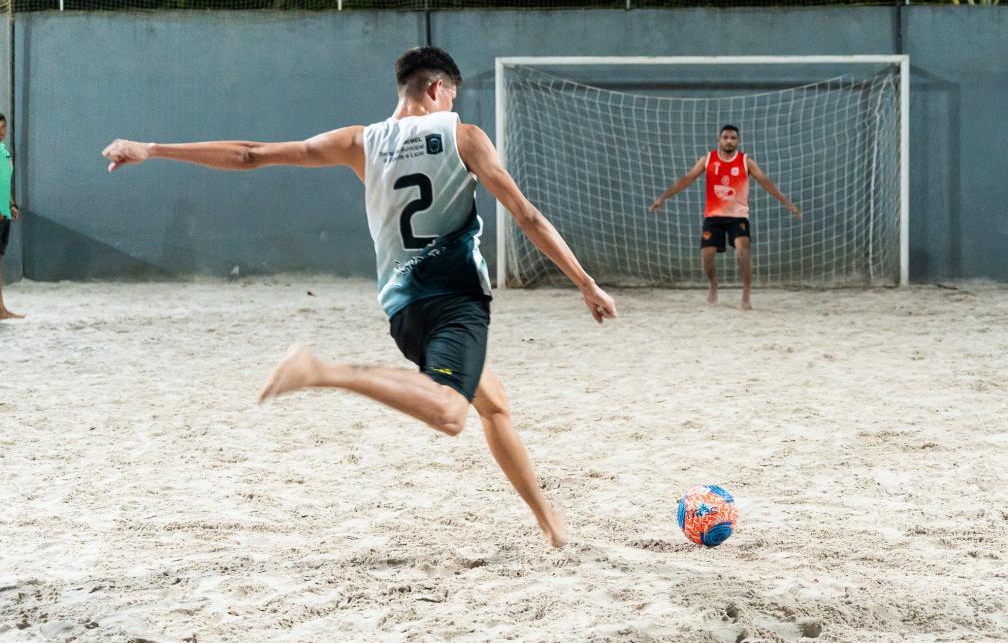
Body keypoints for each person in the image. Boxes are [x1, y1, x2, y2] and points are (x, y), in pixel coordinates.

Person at [102, 47, 616, 548]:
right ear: (437, 89)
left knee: (493, 404)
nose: (452, 107)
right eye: (451, 98)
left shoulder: (359, 142)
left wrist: (153, 148)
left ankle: (548, 520)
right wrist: (585, 282)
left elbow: (251, 154)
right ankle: (324, 372)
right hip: (456, 301)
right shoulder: (463, 136)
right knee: (449, 413)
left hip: (402, 308)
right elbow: (527, 215)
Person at [649, 124, 800, 310]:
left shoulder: (746, 161)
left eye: (733, 138)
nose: (729, 141)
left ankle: (746, 293)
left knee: (742, 249)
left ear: (738, 141)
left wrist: (787, 203)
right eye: (726, 137)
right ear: (719, 140)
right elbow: (686, 179)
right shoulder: (708, 159)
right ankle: (713, 283)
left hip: (738, 217)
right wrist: (663, 197)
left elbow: (766, 182)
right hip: (714, 216)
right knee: (707, 255)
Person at [0, 112, 22, 320]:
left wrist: (11, 204)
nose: (1, 132)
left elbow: (5, 181)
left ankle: (1, 308)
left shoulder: (4, 151)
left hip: (4, 213)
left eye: (3, 128)